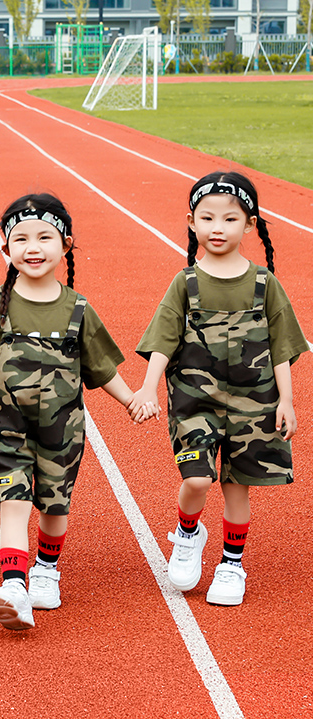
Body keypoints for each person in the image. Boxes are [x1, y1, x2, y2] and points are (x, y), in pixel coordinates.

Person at [0, 193, 152, 631]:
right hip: (4, 426)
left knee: (54, 507)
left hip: (63, 430)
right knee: (14, 500)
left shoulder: (78, 309)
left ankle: (46, 568)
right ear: (6, 248)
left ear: (66, 244)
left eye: (44, 237)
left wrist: (132, 397)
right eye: (20, 238)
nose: (32, 247)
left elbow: (100, 368)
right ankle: (15, 587)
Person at [131, 171, 308, 606]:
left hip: (254, 403)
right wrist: (147, 388)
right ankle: (188, 533)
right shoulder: (185, 283)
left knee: (236, 486)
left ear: (249, 225)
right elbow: (162, 339)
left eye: (230, 219)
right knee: (196, 478)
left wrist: (287, 400)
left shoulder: (265, 283)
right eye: (207, 218)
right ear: (191, 222)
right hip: (195, 402)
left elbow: (282, 345)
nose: (217, 228)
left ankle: (231, 564)